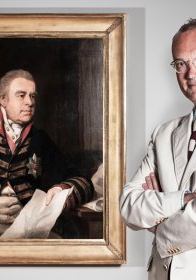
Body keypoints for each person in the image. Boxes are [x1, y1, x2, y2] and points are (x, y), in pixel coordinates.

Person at [0, 69, 94, 239]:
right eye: (21, 95)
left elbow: (81, 180)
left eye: (33, 96)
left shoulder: (40, 139)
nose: (29, 102)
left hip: (30, 227)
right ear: (3, 100)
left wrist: (61, 188)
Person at [120, 19, 196, 280]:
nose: (190, 74)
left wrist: (159, 224)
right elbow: (128, 205)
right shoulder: (164, 134)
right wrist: (183, 200)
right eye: (180, 63)